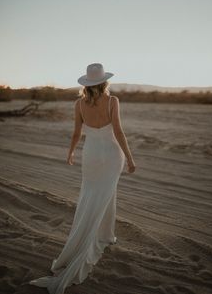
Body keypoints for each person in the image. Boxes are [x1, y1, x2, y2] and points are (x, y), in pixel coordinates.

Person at [29, 63, 136, 294]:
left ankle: (106, 234)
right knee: (107, 194)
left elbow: (77, 132)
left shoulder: (78, 104)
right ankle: (103, 237)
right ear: (104, 82)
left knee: (92, 195)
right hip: (110, 154)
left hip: (91, 155)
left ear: (87, 84)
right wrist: (130, 158)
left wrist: (70, 152)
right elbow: (118, 131)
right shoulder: (112, 101)